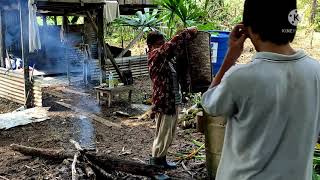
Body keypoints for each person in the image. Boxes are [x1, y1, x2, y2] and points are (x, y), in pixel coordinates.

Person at [201, 0, 320, 179]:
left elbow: (210, 104)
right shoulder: (316, 71)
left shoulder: (240, 77)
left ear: (248, 29)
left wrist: (230, 57)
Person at [147, 28, 198, 169]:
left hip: (172, 100)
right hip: (164, 102)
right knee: (162, 134)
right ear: (151, 45)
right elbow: (171, 45)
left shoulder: (165, 58)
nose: (163, 44)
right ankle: (156, 166)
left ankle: (161, 161)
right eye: (160, 42)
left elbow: (174, 50)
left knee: (168, 133)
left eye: (163, 41)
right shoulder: (154, 56)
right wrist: (188, 32)